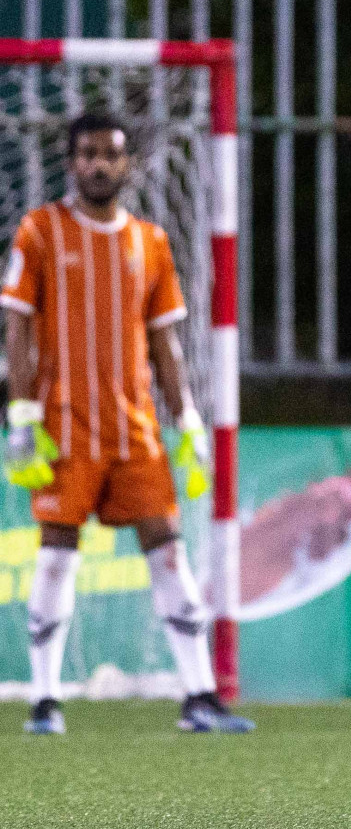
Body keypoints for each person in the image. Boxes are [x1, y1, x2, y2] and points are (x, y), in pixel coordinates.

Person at [2, 113, 254, 736]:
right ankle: (44, 700)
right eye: (87, 154)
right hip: (64, 426)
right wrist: (23, 414)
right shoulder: (39, 231)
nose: (99, 165)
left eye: (110, 155)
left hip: (136, 428)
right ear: (70, 162)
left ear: (128, 165)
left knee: (169, 549)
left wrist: (189, 419)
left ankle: (199, 696)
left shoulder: (151, 241)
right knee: (57, 555)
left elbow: (165, 342)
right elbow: (18, 328)